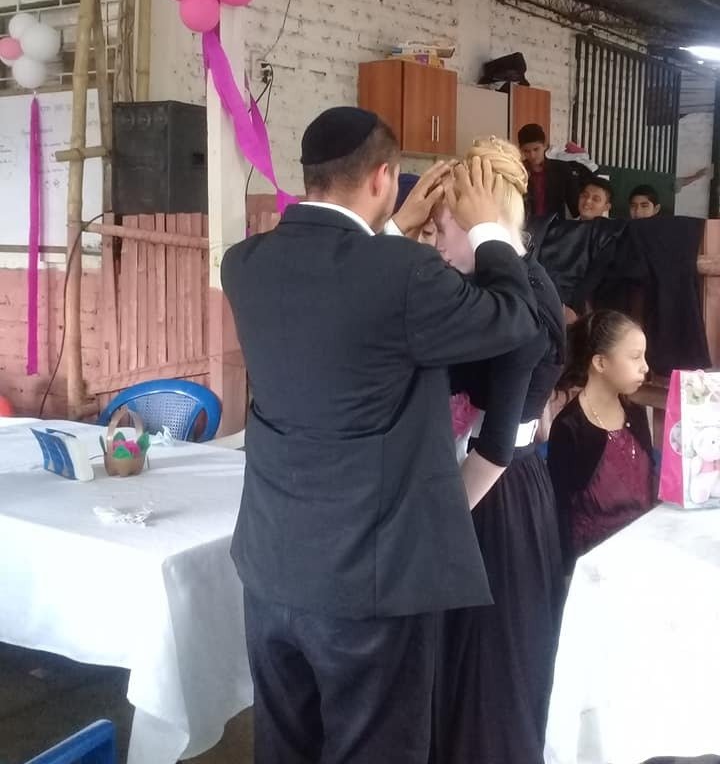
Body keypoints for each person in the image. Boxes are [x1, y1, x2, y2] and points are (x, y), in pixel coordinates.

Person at [221, 107, 541, 764]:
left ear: (310, 176)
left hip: (273, 569)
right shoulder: (404, 273)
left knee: (284, 747)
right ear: (384, 176)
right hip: (371, 586)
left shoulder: (245, 264)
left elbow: (346, 293)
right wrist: (488, 227)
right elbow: (513, 319)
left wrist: (391, 228)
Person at [430, 136, 565, 764]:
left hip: (492, 495)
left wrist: (437, 521)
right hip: (503, 483)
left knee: (488, 661)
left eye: (443, 229)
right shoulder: (518, 278)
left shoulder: (516, 300)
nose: (437, 244)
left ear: (478, 221)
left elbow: (497, 447)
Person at [547, 310, 655, 573]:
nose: (645, 367)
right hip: (594, 565)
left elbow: (648, 487)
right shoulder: (569, 427)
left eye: (644, 356)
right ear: (601, 363)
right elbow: (560, 511)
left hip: (646, 550)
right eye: (635, 357)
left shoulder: (637, 414)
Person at [518, 123, 590, 220]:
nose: (532, 155)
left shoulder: (561, 169)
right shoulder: (517, 171)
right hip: (525, 224)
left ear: (545, 145)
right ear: (521, 150)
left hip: (555, 225)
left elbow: (574, 206)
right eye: (526, 151)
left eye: (536, 149)